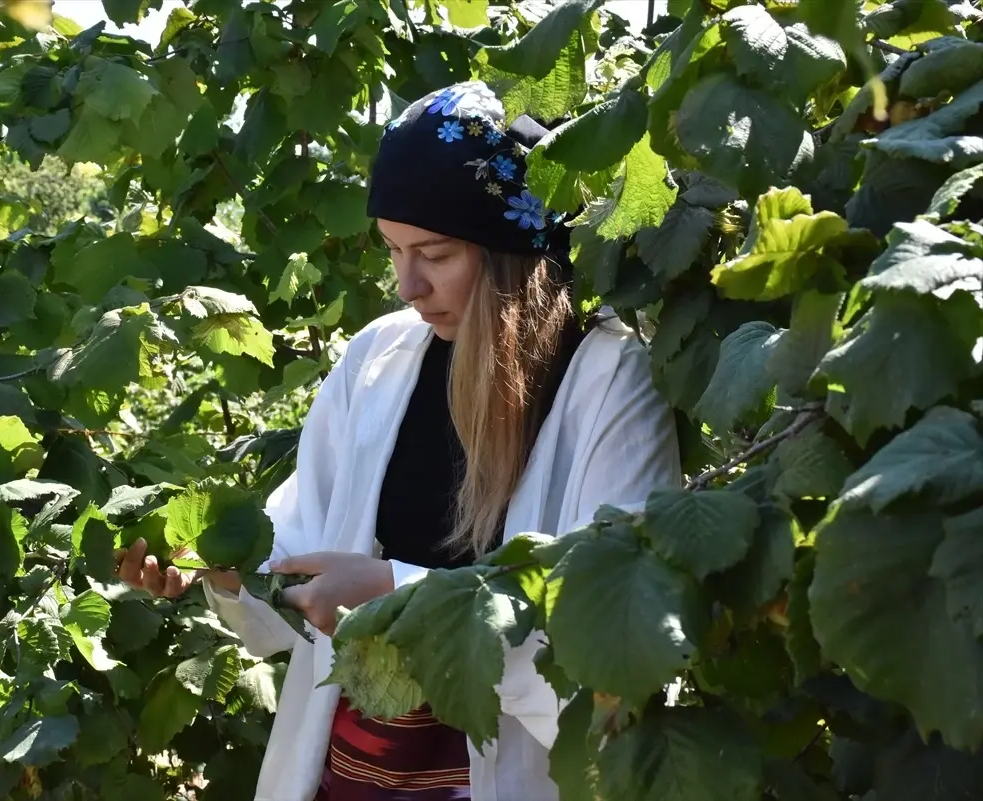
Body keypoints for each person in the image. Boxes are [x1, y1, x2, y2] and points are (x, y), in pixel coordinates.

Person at [115, 80, 681, 801]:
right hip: (352, 773)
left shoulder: (608, 381)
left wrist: (392, 590)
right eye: (393, 250)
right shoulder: (379, 357)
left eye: (436, 254)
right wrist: (219, 570)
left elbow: (609, 640)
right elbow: (301, 541)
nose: (407, 284)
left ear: (513, 247)